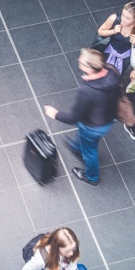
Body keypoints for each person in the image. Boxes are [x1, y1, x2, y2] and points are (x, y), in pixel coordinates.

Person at [44, 48, 120, 186]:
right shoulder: (112, 70)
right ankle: (78, 148)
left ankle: (92, 177)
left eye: (82, 61)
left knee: (90, 153)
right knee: (85, 140)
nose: (79, 60)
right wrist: (90, 79)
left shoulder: (87, 91)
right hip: (107, 118)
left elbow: (74, 117)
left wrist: (55, 114)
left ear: (90, 68)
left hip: (93, 126)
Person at [15, 228, 80, 270]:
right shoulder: (40, 260)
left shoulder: (70, 247)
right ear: (56, 248)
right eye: (67, 251)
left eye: (74, 249)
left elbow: (73, 259)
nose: (71, 253)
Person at [95, 1, 135, 75]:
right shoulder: (114, 18)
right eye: (123, 15)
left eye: (127, 18)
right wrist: (113, 31)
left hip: (124, 58)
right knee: (99, 70)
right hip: (107, 51)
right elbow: (100, 31)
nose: (123, 19)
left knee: (116, 75)